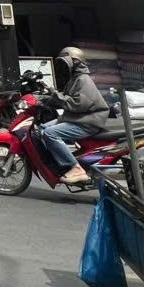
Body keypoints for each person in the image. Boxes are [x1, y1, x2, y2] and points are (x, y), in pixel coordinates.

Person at [39, 46, 110, 185]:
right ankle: (58, 160)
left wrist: (55, 94)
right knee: (42, 128)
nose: (63, 67)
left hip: (87, 122)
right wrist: (45, 98)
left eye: (65, 62)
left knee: (50, 133)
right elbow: (66, 98)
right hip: (76, 118)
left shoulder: (83, 80)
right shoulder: (75, 79)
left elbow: (77, 104)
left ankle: (75, 168)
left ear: (75, 62)